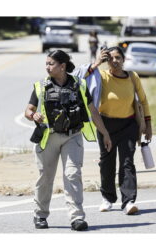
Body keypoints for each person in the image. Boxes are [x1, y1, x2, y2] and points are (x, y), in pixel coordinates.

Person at [25, 50, 112, 231]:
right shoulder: (41, 86)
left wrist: (105, 133)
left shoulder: (79, 85)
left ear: (62, 66)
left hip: (72, 136)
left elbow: (93, 111)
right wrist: (34, 115)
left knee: (73, 175)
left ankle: (77, 218)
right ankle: (40, 215)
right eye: (46, 63)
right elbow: (28, 110)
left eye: (51, 63)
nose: (47, 67)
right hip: (48, 137)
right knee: (45, 178)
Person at [84, 46, 152, 215]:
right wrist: (98, 62)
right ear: (107, 61)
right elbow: (80, 79)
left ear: (123, 60)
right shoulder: (101, 75)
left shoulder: (132, 76)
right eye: (111, 58)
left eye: (118, 58)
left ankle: (128, 201)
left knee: (127, 162)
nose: (114, 61)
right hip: (105, 125)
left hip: (128, 125)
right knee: (107, 162)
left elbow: (143, 100)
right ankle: (107, 198)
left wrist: (148, 124)